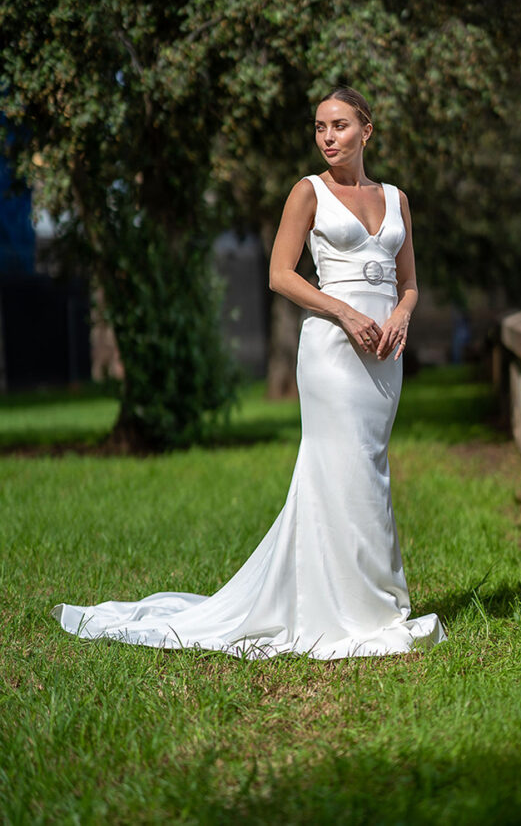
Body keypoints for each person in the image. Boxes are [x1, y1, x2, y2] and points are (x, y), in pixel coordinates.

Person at [51, 87, 446, 659]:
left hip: (386, 356)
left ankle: (373, 602)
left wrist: (403, 318)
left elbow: (408, 283)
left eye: (338, 125)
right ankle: (343, 611)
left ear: (367, 130)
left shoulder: (397, 199)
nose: (328, 137)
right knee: (342, 466)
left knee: (371, 469)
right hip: (333, 351)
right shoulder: (307, 192)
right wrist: (344, 311)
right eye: (318, 127)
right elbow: (280, 275)